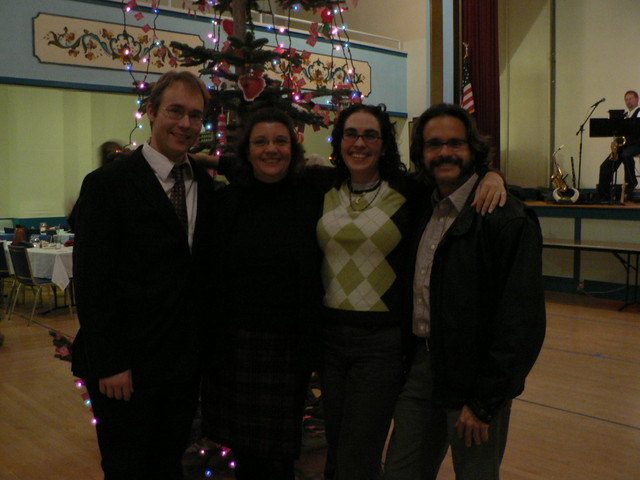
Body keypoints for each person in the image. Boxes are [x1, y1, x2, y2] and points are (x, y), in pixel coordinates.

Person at [314, 104, 506, 480]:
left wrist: (493, 176)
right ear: (338, 140)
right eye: (351, 133)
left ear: (385, 144)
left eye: (371, 135)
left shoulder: (409, 190)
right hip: (332, 341)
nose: (360, 143)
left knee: (359, 452)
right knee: (339, 449)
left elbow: (457, 176)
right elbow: (257, 166)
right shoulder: (320, 186)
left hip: (382, 344)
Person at [382, 103, 546, 480]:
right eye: (433, 144)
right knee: (399, 471)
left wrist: (485, 402)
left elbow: (522, 323)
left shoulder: (507, 219)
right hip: (422, 370)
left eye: (455, 143)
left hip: (475, 381)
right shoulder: (422, 205)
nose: (444, 152)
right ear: (421, 154)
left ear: (473, 149)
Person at [71, 71, 217, 480]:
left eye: (195, 115)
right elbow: (92, 279)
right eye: (175, 111)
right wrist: (111, 361)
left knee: (166, 464)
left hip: (180, 367)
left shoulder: (204, 187)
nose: (185, 124)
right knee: (127, 468)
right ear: (151, 112)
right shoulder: (108, 184)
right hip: (125, 368)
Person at [199, 108, 324, 480]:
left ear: (294, 147)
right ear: (247, 151)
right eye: (261, 141)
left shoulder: (314, 192)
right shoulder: (226, 202)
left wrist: (490, 175)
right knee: (246, 457)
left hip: (289, 346)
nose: (272, 149)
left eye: (280, 141)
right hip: (235, 345)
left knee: (280, 458)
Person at [597, 90, 640, 201]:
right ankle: (604, 194)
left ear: (637, 99)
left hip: (637, 143)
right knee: (605, 166)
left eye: (630, 99)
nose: (628, 101)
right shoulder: (625, 115)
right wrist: (615, 142)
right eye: (626, 99)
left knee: (626, 154)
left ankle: (632, 182)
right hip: (625, 145)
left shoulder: (639, 113)